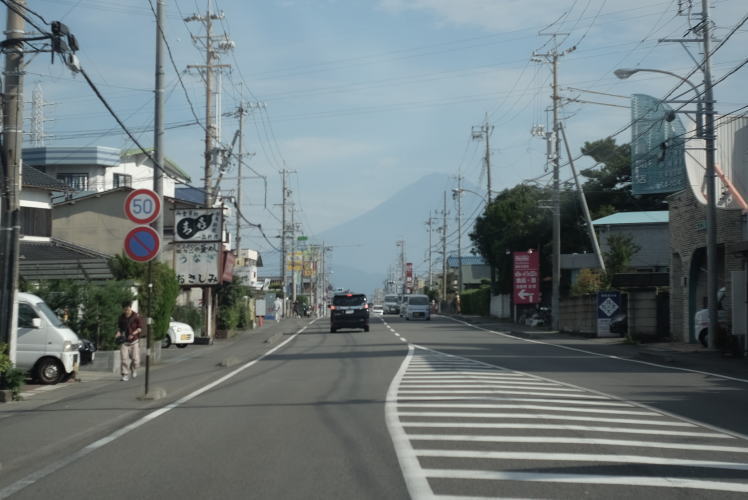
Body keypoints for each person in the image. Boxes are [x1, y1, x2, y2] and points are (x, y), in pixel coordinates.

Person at [115, 300, 143, 382]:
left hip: (134, 341)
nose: (126, 311)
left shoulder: (136, 316)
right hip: (124, 341)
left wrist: (134, 333)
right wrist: (118, 333)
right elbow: (119, 328)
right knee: (124, 359)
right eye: (125, 309)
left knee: (136, 360)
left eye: (128, 309)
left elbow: (140, 328)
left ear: (130, 308)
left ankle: (133, 369)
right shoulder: (121, 317)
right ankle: (125, 374)